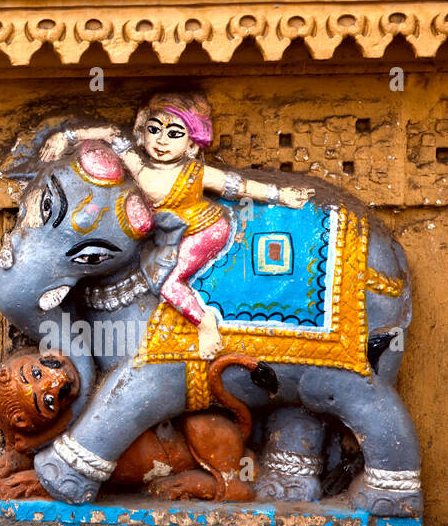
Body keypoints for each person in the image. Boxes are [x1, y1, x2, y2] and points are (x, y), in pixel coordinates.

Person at [41, 93, 314, 359]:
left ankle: (205, 324)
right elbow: (112, 133)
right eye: (154, 129)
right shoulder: (137, 166)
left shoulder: (196, 173)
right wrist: (65, 137)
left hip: (204, 229)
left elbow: (239, 186)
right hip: (164, 234)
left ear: (193, 146)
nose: (161, 140)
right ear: (142, 133)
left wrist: (282, 195)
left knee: (170, 284)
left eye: (174, 134)